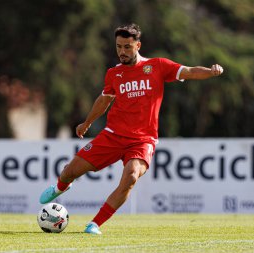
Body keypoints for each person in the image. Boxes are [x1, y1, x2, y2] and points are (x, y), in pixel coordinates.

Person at [39, 23, 224, 235]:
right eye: (118, 47)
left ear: (138, 45)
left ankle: (95, 223)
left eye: (127, 47)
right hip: (113, 136)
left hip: (142, 140)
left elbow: (189, 71)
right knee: (69, 171)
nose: (122, 52)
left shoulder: (158, 66)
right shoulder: (113, 74)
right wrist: (87, 123)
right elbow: (104, 101)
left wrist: (211, 71)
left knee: (131, 176)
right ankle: (60, 188)